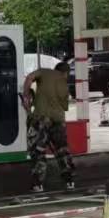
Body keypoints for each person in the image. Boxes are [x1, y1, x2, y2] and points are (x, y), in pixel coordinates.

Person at [22, 60, 75, 191]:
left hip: (41, 119)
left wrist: (26, 97)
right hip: (59, 121)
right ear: (66, 73)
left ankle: (38, 184)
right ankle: (69, 182)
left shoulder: (44, 72)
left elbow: (29, 78)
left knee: (38, 151)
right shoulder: (64, 85)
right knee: (62, 151)